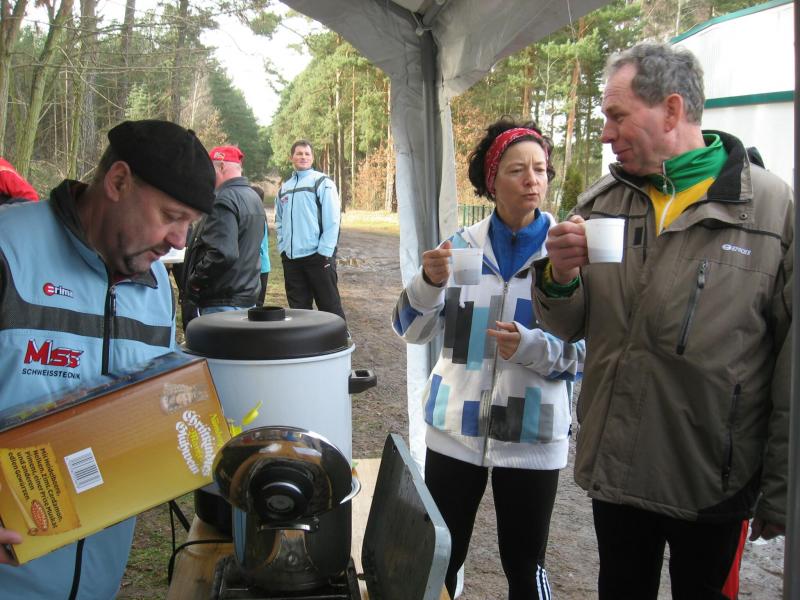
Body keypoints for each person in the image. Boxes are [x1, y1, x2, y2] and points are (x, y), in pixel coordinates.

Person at [534, 43, 791, 599]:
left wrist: (782, 488)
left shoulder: (772, 210)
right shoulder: (604, 202)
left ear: (671, 110)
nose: (606, 134)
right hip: (618, 470)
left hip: (711, 480)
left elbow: (791, 365)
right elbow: (571, 325)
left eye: (617, 116)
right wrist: (560, 276)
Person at [0, 119, 215, 598]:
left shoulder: (158, 290)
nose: (180, 240)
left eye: (190, 224)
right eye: (171, 216)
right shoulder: (8, 250)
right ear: (118, 182)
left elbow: (150, 414)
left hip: (98, 585)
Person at [393, 118, 585, 599]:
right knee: (439, 557)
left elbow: (589, 354)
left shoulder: (564, 255)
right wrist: (427, 284)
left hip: (532, 433)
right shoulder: (460, 248)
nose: (532, 180)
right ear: (492, 180)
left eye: (540, 169)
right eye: (518, 170)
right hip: (455, 430)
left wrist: (532, 348)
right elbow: (410, 330)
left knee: (525, 565)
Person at [182, 145, 265, 321]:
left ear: (221, 166)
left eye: (209, 169)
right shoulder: (253, 197)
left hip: (222, 300)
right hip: (245, 296)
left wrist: (195, 281)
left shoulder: (223, 199)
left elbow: (222, 253)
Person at [275, 140, 346, 322]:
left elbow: (333, 219)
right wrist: (283, 248)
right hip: (291, 260)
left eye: (307, 154)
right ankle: (305, 340)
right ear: (291, 157)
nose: (303, 157)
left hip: (318, 257)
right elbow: (279, 221)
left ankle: (339, 338)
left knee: (329, 307)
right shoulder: (284, 188)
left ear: (312, 158)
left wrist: (325, 252)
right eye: (299, 153)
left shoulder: (322, 182)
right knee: (298, 311)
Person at [251, 184, 271, 305]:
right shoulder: (261, 215)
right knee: (258, 303)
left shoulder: (256, 218)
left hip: (257, 266)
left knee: (256, 304)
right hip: (263, 266)